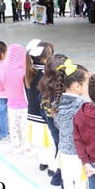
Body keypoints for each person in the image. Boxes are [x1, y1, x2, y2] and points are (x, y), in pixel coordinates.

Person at [54, 59, 89, 189]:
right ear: (76, 86)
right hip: (77, 153)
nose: (88, 86)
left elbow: (57, 124)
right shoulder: (81, 106)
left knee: (67, 179)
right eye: (86, 83)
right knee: (80, 182)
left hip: (63, 150)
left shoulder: (57, 102)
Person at [38, 54, 69, 188]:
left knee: (59, 149)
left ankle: (57, 178)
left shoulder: (43, 90)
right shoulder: (64, 96)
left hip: (52, 127)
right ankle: (62, 181)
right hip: (64, 130)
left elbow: (42, 112)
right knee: (64, 153)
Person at [24, 40, 55, 168]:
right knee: (50, 144)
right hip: (44, 116)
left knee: (40, 143)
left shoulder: (29, 73)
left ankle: (43, 163)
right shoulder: (48, 75)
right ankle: (52, 168)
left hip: (32, 113)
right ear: (45, 59)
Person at [0, 44, 29, 154]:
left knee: (13, 126)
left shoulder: (3, 70)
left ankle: (16, 146)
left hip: (11, 104)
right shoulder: (23, 72)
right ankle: (28, 148)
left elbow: (0, 87)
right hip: (24, 104)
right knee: (25, 127)